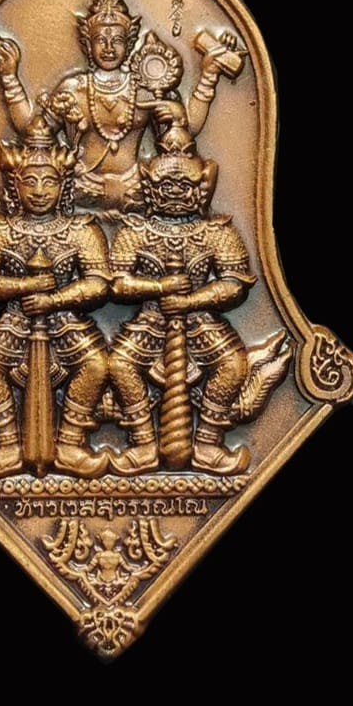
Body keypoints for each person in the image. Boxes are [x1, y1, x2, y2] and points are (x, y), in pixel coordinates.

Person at [108, 134, 291, 476]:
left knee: (233, 364)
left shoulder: (216, 232)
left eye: (185, 186)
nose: (175, 193)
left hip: (201, 319)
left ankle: (208, 441)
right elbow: (117, 283)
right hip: (150, 320)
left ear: (201, 189)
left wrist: (191, 300)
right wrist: (159, 287)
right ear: (150, 189)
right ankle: (142, 441)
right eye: (166, 186)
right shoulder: (135, 231)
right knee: (119, 365)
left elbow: (234, 284)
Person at [0, 0, 237, 210]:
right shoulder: (74, 88)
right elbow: (32, 131)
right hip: (82, 186)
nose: (108, 48)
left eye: (117, 40)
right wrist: (9, 77)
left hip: (138, 187)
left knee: (181, 187)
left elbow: (187, 132)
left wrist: (208, 75)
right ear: (87, 43)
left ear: (129, 43)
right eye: (100, 40)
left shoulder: (144, 88)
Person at [0, 116, 111, 479]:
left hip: (65, 318)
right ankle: (7, 444)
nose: (39, 190)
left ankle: (70, 443)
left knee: (97, 365)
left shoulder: (81, 230)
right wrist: (25, 287)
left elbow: (99, 284)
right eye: (30, 181)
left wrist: (55, 300)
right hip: (14, 318)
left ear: (64, 185)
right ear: (15, 184)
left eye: (49, 181)